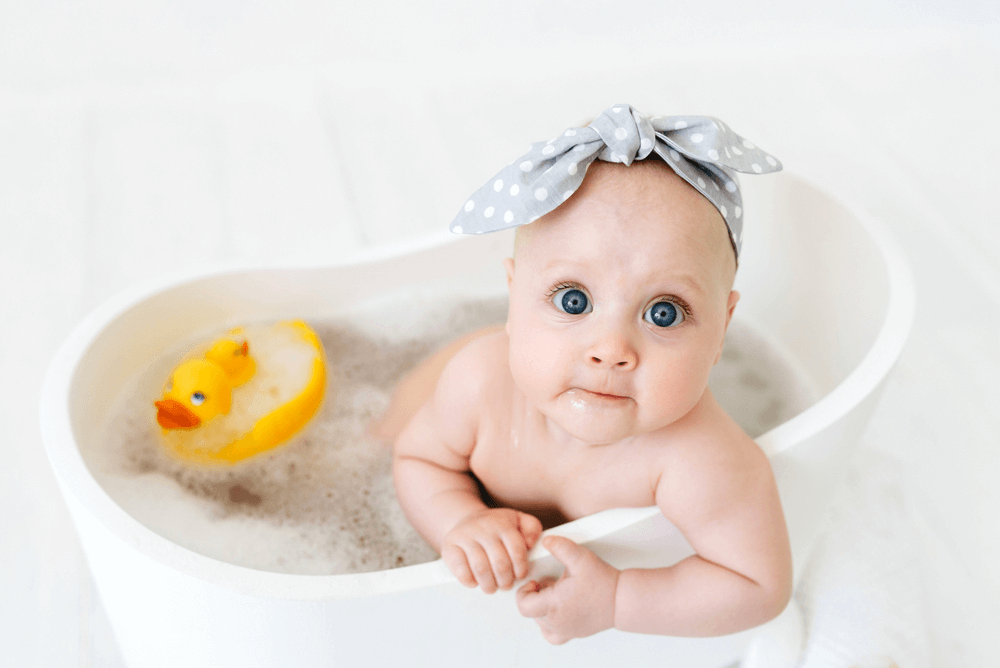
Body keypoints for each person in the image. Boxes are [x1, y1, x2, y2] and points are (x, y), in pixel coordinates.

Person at [380, 105, 792, 644]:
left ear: (721, 330)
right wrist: (458, 520)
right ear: (513, 298)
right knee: (378, 433)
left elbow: (758, 584)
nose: (611, 349)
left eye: (663, 312)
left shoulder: (703, 458)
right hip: (423, 395)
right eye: (573, 301)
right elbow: (417, 458)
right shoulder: (478, 385)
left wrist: (620, 599)